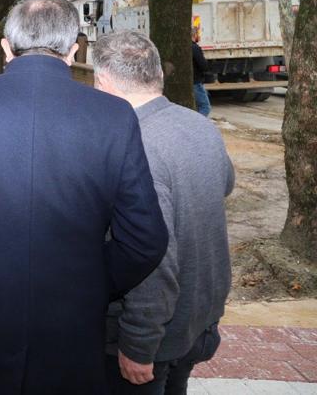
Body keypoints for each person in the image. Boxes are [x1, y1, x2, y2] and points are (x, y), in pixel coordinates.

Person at [0, 0, 168, 395]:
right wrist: (93, 282)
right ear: (73, 50)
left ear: (6, 49)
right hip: (72, 321)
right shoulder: (114, 116)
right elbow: (146, 239)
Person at [93, 31, 234, 395]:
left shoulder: (134, 146)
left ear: (104, 81)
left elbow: (155, 260)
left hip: (152, 338)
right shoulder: (201, 126)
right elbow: (223, 186)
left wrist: (139, 345)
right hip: (196, 320)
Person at [191, 28, 211, 117]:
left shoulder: (182, 48)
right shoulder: (195, 47)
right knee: (205, 107)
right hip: (196, 81)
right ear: (194, 35)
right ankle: (198, 124)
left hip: (189, 81)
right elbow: (203, 65)